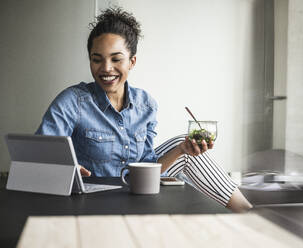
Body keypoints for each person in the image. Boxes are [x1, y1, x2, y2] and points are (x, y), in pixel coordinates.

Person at [35, 7, 252, 212]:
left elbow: (148, 165)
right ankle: (247, 216)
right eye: (97, 59)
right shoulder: (73, 100)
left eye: (116, 59)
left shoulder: (146, 104)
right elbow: (39, 154)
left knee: (182, 145)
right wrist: (68, 170)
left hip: (134, 187)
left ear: (132, 61)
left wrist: (182, 151)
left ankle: (248, 214)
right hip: (95, 198)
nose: (106, 68)